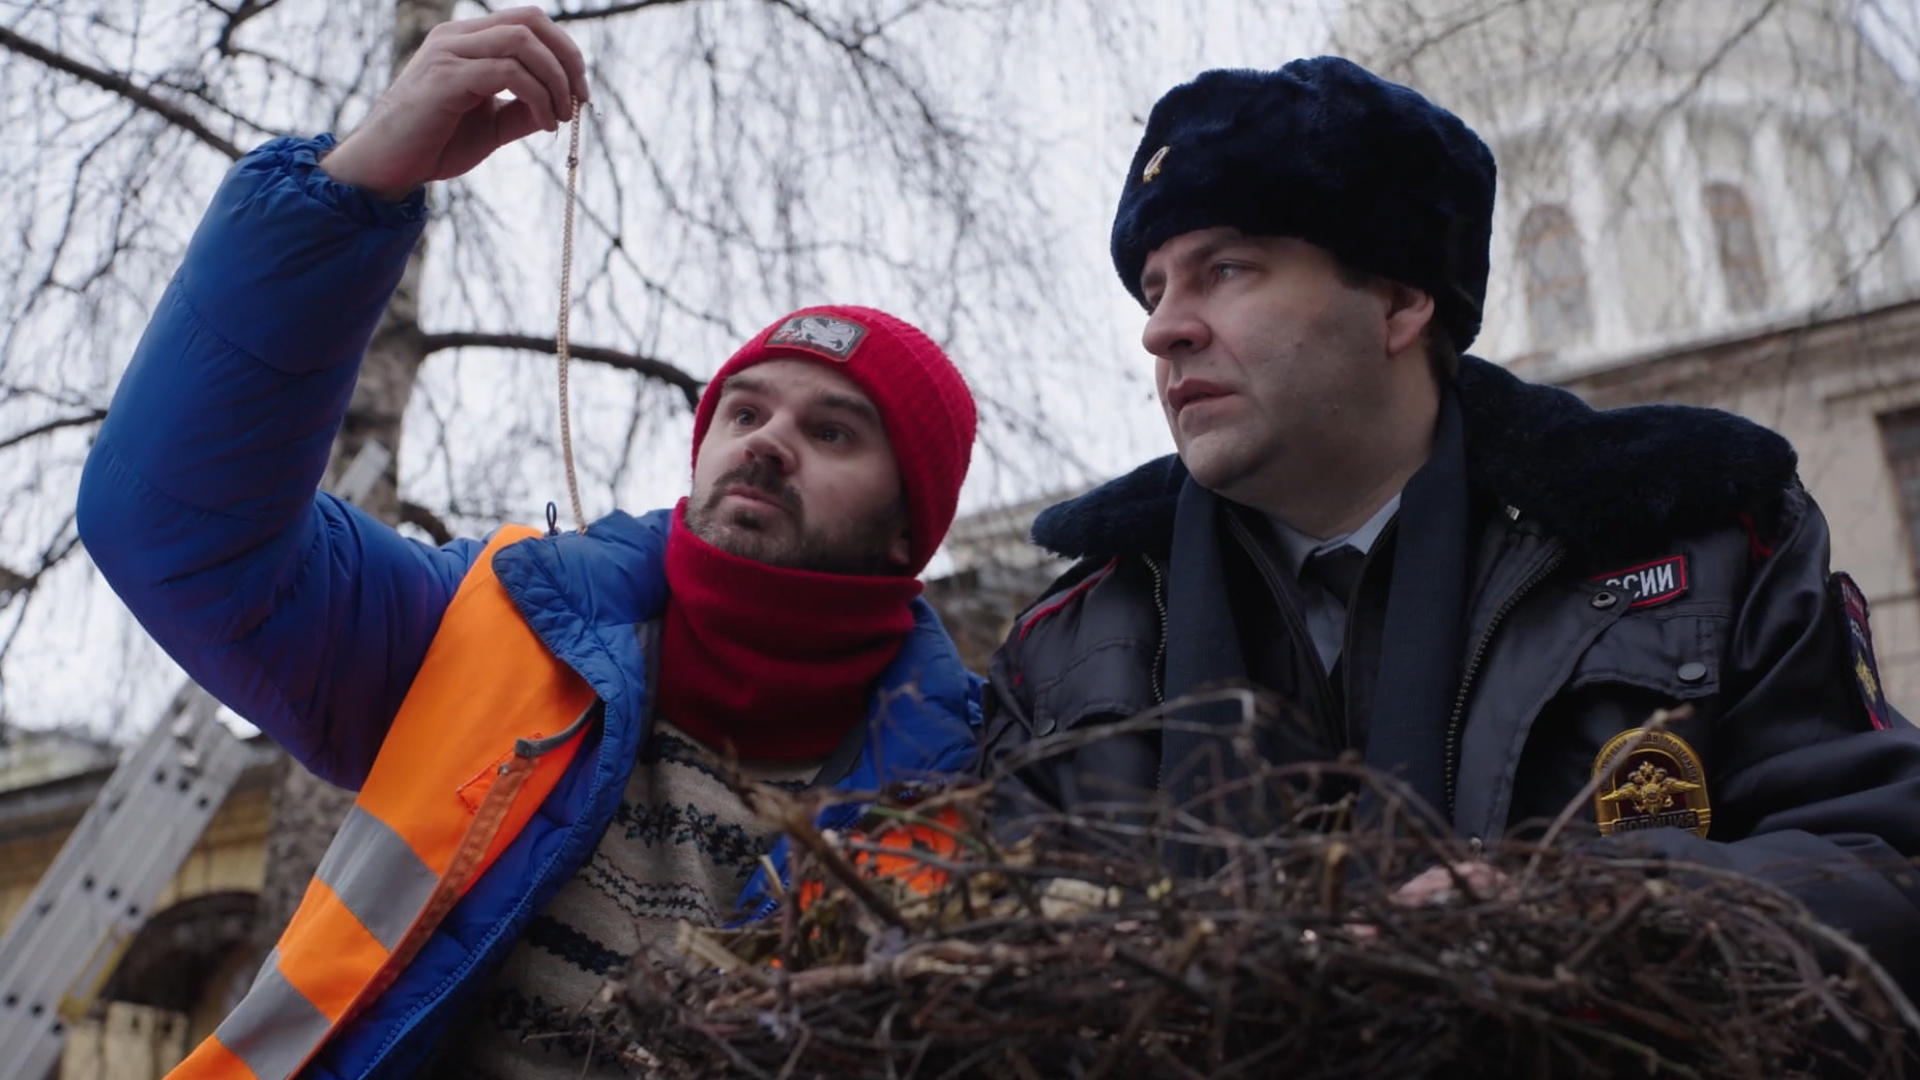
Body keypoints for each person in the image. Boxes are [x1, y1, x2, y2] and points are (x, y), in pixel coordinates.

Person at [76, 9, 980, 1078]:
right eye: (744, 412)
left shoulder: (972, 793)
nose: (767, 443)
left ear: (909, 524)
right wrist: (354, 187)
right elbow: (179, 526)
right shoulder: (498, 622)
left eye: (832, 432)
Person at [980, 57, 1920, 994]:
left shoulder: (1704, 538)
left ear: (1399, 300)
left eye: (1224, 270)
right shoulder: (1064, 651)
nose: (1163, 331)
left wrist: (1597, 921)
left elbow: (1882, 871)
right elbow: (981, 967)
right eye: (1155, 291)